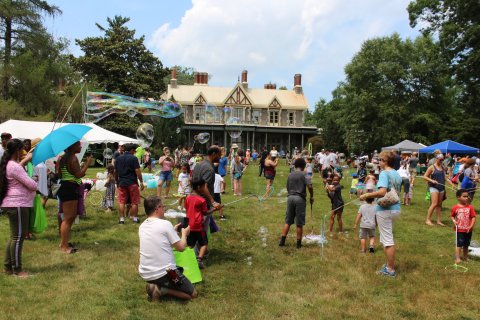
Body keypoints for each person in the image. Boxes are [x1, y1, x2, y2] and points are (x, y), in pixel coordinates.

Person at [138, 195, 197, 301]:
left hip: (145, 273)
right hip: (164, 273)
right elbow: (181, 247)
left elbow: (160, 243)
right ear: (157, 209)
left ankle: (155, 285)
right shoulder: (165, 224)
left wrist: (173, 231)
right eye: (163, 206)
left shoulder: (142, 226)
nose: (164, 209)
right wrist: (184, 234)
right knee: (192, 295)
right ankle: (161, 290)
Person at [360, 151, 402, 277]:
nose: (379, 162)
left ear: (385, 161)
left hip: (385, 210)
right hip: (395, 209)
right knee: (386, 237)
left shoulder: (384, 173)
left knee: (388, 240)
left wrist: (367, 195)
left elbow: (382, 192)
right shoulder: (397, 174)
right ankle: (388, 265)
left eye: (380, 160)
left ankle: (390, 270)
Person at [0, 139, 37, 277]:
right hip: (18, 205)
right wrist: (34, 179)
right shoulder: (14, 166)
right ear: (17, 151)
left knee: (14, 236)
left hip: (11, 204)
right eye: (22, 149)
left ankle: (8, 267)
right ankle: (17, 269)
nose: (24, 151)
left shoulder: (8, 164)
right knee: (18, 237)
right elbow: (32, 185)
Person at [56, 141, 93, 253]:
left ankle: (64, 242)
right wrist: (87, 163)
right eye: (78, 145)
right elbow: (79, 174)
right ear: (72, 147)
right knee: (68, 219)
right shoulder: (73, 158)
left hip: (65, 187)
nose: (80, 146)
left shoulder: (61, 158)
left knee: (70, 218)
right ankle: (63, 246)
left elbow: (59, 174)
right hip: (70, 188)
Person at [279, 158, 314, 249]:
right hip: (300, 199)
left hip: (290, 198)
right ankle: (298, 245)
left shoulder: (290, 174)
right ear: (304, 166)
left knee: (288, 221)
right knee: (299, 222)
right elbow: (309, 186)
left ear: (295, 165)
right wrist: (311, 196)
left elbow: (287, 187)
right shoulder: (304, 174)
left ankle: (282, 241)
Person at [185, 179, 217, 269]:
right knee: (204, 243)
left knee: (190, 244)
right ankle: (199, 260)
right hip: (198, 226)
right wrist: (215, 209)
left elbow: (186, 208)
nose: (205, 189)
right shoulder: (201, 200)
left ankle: (189, 259)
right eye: (204, 187)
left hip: (189, 225)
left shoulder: (187, 197)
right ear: (199, 187)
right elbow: (205, 213)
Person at [115, 143, 144, 224]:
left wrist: (117, 182)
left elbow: (115, 172)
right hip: (132, 182)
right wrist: (141, 181)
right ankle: (135, 218)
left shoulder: (118, 158)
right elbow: (137, 170)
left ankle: (121, 219)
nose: (134, 152)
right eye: (134, 150)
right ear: (131, 150)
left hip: (122, 183)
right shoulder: (134, 158)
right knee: (134, 201)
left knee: (121, 202)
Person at [423, 153, 454, 226]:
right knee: (434, 204)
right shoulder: (432, 167)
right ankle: (428, 220)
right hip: (434, 187)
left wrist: (452, 184)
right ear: (436, 159)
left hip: (441, 188)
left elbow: (445, 178)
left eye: (442, 160)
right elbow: (424, 176)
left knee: (439, 205)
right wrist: (432, 180)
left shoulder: (442, 167)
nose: (441, 161)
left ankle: (438, 221)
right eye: (440, 160)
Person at [191, 145, 222, 211]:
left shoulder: (199, 164)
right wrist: (213, 202)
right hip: (203, 203)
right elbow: (203, 187)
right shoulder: (209, 169)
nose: (220, 157)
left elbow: (192, 180)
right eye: (219, 155)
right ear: (214, 154)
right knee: (203, 220)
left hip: (194, 199)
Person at [451, 189, 477, 264]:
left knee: (466, 245)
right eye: (464, 196)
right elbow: (452, 216)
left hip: (468, 230)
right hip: (459, 230)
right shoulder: (455, 207)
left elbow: (473, 217)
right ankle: (458, 258)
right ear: (458, 197)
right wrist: (453, 221)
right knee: (459, 244)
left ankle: (465, 257)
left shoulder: (470, 207)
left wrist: (471, 226)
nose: (466, 198)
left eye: (467, 196)